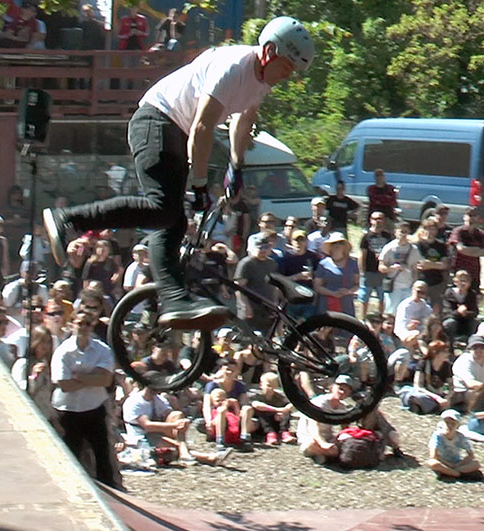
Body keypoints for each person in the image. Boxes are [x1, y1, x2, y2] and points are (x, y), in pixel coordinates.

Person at [43, 17, 315, 330]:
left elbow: (243, 121)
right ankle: (70, 220)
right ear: (269, 52)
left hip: (174, 131)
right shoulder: (232, 67)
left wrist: (237, 167)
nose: (287, 76)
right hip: (155, 122)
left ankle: (173, 300)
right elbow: (202, 127)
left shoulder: (260, 81)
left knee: (171, 221)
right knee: (163, 208)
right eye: (286, 67)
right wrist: (198, 185)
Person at [50, 312, 120, 487]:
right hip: (68, 410)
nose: (83, 327)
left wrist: (79, 377)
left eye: (87, 324)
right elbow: (64, 384)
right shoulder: (63, 351)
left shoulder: (102, 349)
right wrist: (92, 378)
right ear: (72, 324)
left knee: (102, 454)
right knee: (70, 454)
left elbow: (106, 380)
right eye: (79, 323)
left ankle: (110, 488)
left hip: (94, 408)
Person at [123, 376, 232, 465]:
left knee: (177, 415)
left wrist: (181, 421)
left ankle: (187, 451)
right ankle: (208, 458)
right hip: (141, 436)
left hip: (155, 433)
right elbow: (147, 425)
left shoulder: (157, 399)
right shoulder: (135, 401)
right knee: (174, 448)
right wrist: (175, 425)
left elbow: (169, 414)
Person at [297, 375, 355, 464]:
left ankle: (324, 455)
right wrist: (322, 443)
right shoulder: (319, 402)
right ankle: (325, 454)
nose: (342, 392)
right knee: (313, 444)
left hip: (328, 438)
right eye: (340, 388)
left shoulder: (342, 407)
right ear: (332, 387)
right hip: (310, 438)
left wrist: (343, 438)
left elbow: (345, 428)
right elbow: (313, 426)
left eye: (346, 391)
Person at [235, 235, 279, 332]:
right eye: (260, 248)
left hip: (267, 306)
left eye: (266, 247)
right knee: (248, 337)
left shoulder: (272, 263)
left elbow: (275, 285)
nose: (263, 251)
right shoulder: (246, 263)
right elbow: (239, 287)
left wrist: (275, 303)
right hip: (251, 307)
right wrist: (246, 306)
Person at [378, 221, 422, 314]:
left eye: (406, 232)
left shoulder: (413, 249)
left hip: (408, 286)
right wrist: (392, 268)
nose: (403, 234)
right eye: (401, 231)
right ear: (395, 232)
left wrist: (414, 285)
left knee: (406, 313)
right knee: (391, 313)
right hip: (394, 287)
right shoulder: (389, 247)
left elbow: (415, 269)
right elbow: (381, 267)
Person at [451, 335, 484, 410]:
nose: (479, 350)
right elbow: (470, 384)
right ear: (469, 349)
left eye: (482, 348)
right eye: (475, 348)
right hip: (463, 395)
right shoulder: (463, 361)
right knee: (474, 392)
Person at [426, 409, 482, 480]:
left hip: (457, 463)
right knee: (432, 463)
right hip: (442, 462)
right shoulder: (437, 436)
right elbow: (433, 456)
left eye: (453, 423)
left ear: (458, 425)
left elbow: (471, 455)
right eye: (447, 423)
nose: (449, 426)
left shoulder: (460, 437)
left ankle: (449, 473)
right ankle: (457, 474)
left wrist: (458, 464)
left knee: (476, 464)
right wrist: (449, 464)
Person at [313, 231, 359, 316]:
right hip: (327, 303)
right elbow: (317, 286)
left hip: (346, 304)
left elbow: (357, 285)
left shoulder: (353, 263)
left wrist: (348, 291)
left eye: (340, 243)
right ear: (330, 246)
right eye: (334, 243)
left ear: (345, 246)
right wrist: (333, 293)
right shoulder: (323, 264)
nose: (337, 245)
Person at [357, 211, 392, 318]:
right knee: (365, 298)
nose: (378, 221)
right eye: (375, 218)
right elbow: (362, 255)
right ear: (371, 220)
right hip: (369, 271)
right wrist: (362, 272)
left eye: (380, 218)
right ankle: (363, 318)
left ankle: (380, 318)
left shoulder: (388, 236)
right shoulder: (366, 237)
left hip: (382, 272)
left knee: (383, 297)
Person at [448, 207, 484, 293]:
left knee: (473, 295)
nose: (471, 218)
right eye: (469, 215)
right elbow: (460, 248)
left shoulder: (481, 234)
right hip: (459, 269)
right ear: (464, 217)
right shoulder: (458, 231)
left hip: (474, 271)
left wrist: (468, 250)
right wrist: (476, 250)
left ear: (477, 217)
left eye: (474, 215)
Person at [414, 218, 451, 312]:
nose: (430, 232)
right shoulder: (418, 245)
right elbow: (419, 264)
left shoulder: (441, 246)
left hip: (437, 282)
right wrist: (436, 265)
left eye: (433, 229)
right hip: (422, 281)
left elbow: (445, 264)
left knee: (437, 308)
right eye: (428, 229)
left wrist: (430, 264)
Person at [250, 372, 295, 446]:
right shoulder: (257, 396)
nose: (270, 388)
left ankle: (284, 432)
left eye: (273, 386)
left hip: (277, 423)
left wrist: (283, 410)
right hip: (263, 426)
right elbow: (256, 405)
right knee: (262, 411)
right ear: (261, 384)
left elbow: (291, 404)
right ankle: (270, 434)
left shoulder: (279, 397)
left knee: (286, 411)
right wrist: (277, 410)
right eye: (268, 385)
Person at [442, 270, 479, 342]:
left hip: (467, 320)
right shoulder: (449, 293)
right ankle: (450, 346)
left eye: (466, 281)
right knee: (449, 323)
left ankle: (471, 345)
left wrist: (466, 313)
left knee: (475, 324)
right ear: (456, 282)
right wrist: (459, 312)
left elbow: (475, 312)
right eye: (461, 280)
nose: (463, 283)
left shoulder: (472, 294)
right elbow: (446, 311)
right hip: (453, 319)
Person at [394, 281, 434, 349]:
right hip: (405, 332)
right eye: (418, 292)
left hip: (420, 332)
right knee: (415, 335)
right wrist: (409, 327)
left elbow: (429, 317)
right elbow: (400, 326)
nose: (420, 295)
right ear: (413, 289)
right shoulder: (405, 305)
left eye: (423, 293)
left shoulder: (424, 305)